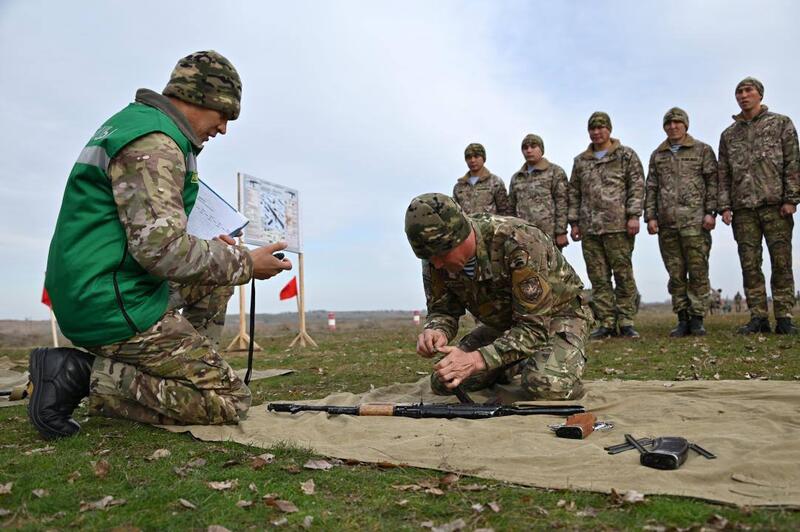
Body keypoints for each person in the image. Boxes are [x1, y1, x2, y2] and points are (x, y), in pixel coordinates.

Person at [30, 51, 292, 440]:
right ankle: (83, 375)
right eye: (224, 115)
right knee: (227, 402)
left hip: (104, 287)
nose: (222, 129)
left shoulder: (138, 126)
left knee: (214, 277)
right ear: (204, 97)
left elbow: (149, 239)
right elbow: (163, 250)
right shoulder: (156, 144)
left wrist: (220, 257)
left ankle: (183, 364)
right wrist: (244, 262)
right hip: (110, 303)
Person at [405, 193, 592, 400]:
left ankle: (551, 362)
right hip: (506, 325)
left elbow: (534, 328)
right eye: (429, 258)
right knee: (445, 382)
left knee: (545, 385)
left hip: (558, 318)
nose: (437, 265)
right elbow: (443, 310)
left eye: (441, 256)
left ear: (461, 235)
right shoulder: (434, 256)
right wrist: (436, 330)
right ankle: (517, 362)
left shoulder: (519, 242)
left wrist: (477, 360)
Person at [718, 77, 799, 335]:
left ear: (760, 95)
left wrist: (791, 199)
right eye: (739, 92)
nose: (743, 95)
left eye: (748, 90)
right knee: (750, 264)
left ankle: (784, 316)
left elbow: (793, 163)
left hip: (775, 206)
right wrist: (724, 207)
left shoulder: (781, 124)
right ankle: (758, 316)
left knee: (781, 262)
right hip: (743, 210)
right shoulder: (729, 135)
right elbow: (724, 174)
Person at [568, 112, 645, 339]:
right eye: (592, 128)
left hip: (618, 226)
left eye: (601, 127)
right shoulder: (581, 161)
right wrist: (574, 222)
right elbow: (574, 192)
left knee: (623, 275)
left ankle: (626, 320)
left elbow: (637, 186)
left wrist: (633, 216)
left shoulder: (625, 155)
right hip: (590, 228)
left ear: (609, 130)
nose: (596, 132)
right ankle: (607, 322)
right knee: (598, 278)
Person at [645, 107, 718, 337]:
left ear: (686, 125)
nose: (673, 127)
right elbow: (651, 188)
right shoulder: (658, 155)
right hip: (667, 224)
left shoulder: (702, 150)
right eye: (668, 123)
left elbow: (712, 183)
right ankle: (682, 318)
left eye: (677, 123)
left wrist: (711, 212)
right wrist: (650, 216)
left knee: (698, 271)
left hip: (695, 222)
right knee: (675, 274)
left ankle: (697, 318)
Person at [508, 134, 569, 249]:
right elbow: (510, 208)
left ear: (541, 149)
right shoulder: (517, 177)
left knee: (550, 266)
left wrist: (561, 232)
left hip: (548, 235)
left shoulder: (555, 172)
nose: (529, 150)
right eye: (525, 148)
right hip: (522, 236)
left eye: (533, 146)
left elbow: (562, 203)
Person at [452, 143, 510, 215]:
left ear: (483, 158)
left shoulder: (495, 182)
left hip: (490, 226)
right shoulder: (459, 187)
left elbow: (505, 212)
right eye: (469, 157)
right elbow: (456, 214)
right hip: (467, 226)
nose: (472, 160)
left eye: (476, 156)